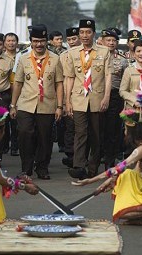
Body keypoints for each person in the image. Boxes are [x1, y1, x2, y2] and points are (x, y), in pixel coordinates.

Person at [74, 111, 142, 227]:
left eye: (126, 128)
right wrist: (109, 182)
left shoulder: (141, 150)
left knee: (123, 213)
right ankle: (139, 218)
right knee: (126, 175)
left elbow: (118, 168)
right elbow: (134, 172)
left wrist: (91, 180)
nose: (125, 131)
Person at [10, 25, 64, 179]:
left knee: (45, 137)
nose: (39, 44)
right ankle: (26, 168)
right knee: (24, 133)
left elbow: (59, 83)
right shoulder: (23, 58)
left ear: (47, 41)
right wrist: (13, 105)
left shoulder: (55, 59)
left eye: (42, 41)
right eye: (35, 41)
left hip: (47, 105)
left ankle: (42, 167)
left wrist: (60, 106)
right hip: (26, 103)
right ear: (31, 42)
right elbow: (18, 83)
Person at [65, 19, 113, 180]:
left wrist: (106, 97)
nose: (85, 35)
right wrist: (67, 101)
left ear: (94, 33)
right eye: (82, 32)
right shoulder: (72, 53)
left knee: (96, 134)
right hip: (78, 98)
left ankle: (93, 167)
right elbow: (70, 78)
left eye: (88, 32)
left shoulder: (104, 51)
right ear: (78, 34)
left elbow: (108, 76)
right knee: (80, 133)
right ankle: (78, 166)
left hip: (97, 98)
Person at [101, 28, 127, 169]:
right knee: (99, 129)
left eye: (113, 41)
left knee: (113, 129)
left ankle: (110, 161)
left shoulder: (122, 60)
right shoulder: (95, 57)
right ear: (102, 41)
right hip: (98, 95)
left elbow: (125, 80)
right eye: (108, 40)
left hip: (115, 96)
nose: (111, 43)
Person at [60, 27, 81, 168]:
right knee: (69, 127)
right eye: (69, 40)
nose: (72, 42)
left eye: (74, 39)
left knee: (82, 129)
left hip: (83, 96)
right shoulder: (63, 56)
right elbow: (60, 79)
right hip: (68, 95)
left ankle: (81, 156)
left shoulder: (87, 54)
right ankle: (71, 155)